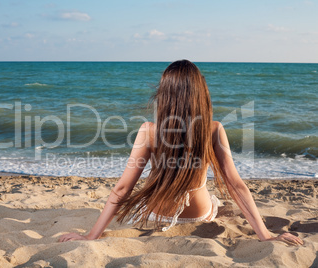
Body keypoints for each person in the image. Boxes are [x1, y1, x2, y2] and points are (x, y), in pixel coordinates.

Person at [58, 60, 303, 246]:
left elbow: (123, 189)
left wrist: (92, 236)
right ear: (200, 94)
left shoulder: (149, 131)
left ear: (164, 96)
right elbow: (236, 185)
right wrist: (266, 235)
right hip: (201, 215)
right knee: (217, 200)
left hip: (156, 215)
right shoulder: (214, 129)